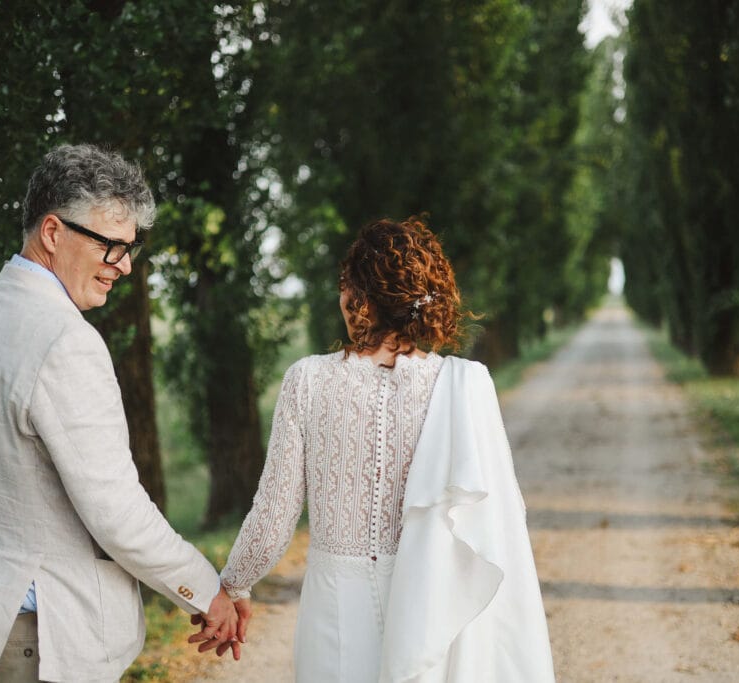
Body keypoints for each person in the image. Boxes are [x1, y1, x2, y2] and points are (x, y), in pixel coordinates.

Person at [0, 144, 241, 683]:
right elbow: (117, 514)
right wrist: (205, 588)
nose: (124, 266)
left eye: (130, 248)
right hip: (47, 641)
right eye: (111, 246)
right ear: (54, 233)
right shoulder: (65, 341)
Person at [213, 217, 554, 681]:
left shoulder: (308, 381)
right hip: (431, 604)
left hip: (335, 610)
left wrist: (233, 585)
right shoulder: (462, 384)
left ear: (360, 298)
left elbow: (275, 512)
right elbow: (498, 523)